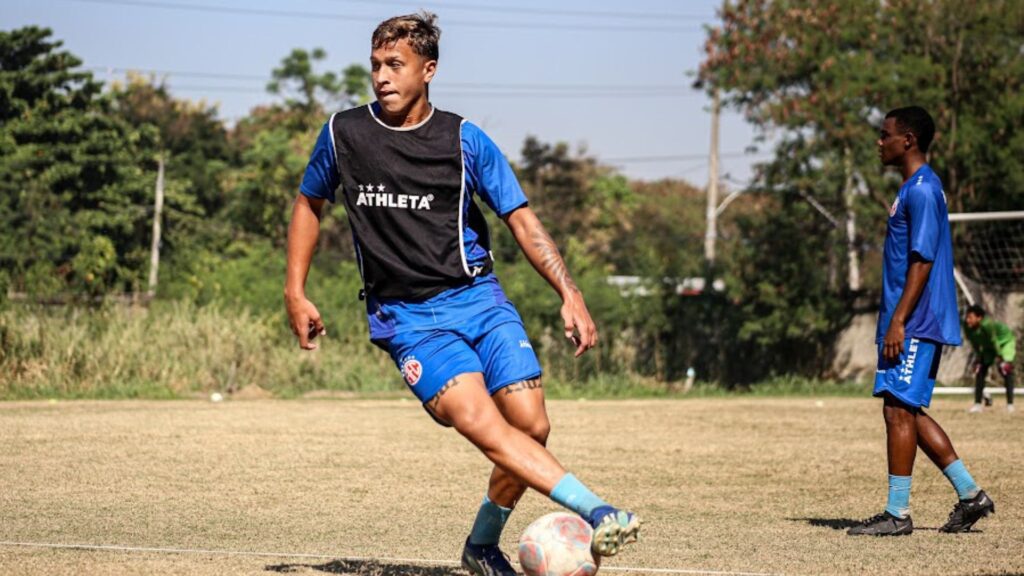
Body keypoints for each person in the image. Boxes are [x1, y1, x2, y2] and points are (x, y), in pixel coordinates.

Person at [283, 12, 640, 575]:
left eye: (394, 65)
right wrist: (295, 291)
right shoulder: (343, 134)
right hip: (408, 318)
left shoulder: (464, 139)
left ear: (429, 70)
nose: (381, 76)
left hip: (479, 300)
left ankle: (479, 547)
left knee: (531, 426)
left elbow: (523, 221)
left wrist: (569, 293)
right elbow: (309, 203)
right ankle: (598, 509)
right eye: (375, 64)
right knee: (484, 424)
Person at [847, 106, 995, 537]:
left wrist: (899, 321)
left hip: (915, 319)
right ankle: (971, 496)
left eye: (885, 134)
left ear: (907, 140)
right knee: (904, 407)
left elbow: (923, 260)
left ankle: (898, 514)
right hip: (906, 317)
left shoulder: (924, 190)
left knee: (898, 410)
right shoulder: (911, 188)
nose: (879, 141)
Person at [963, 304, 1016, 413]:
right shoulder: (967, 326)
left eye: (970, 317)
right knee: (980, 370)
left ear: (979, 318)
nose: (968, 320)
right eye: (967, 317)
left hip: (1004, 342)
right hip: (988, 345)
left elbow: (994, 341)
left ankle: (1010, 405)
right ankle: (977, 404)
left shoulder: (987, 324)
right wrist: (979, 357)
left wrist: (1000, 358)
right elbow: (974, 343)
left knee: (1005, 370)